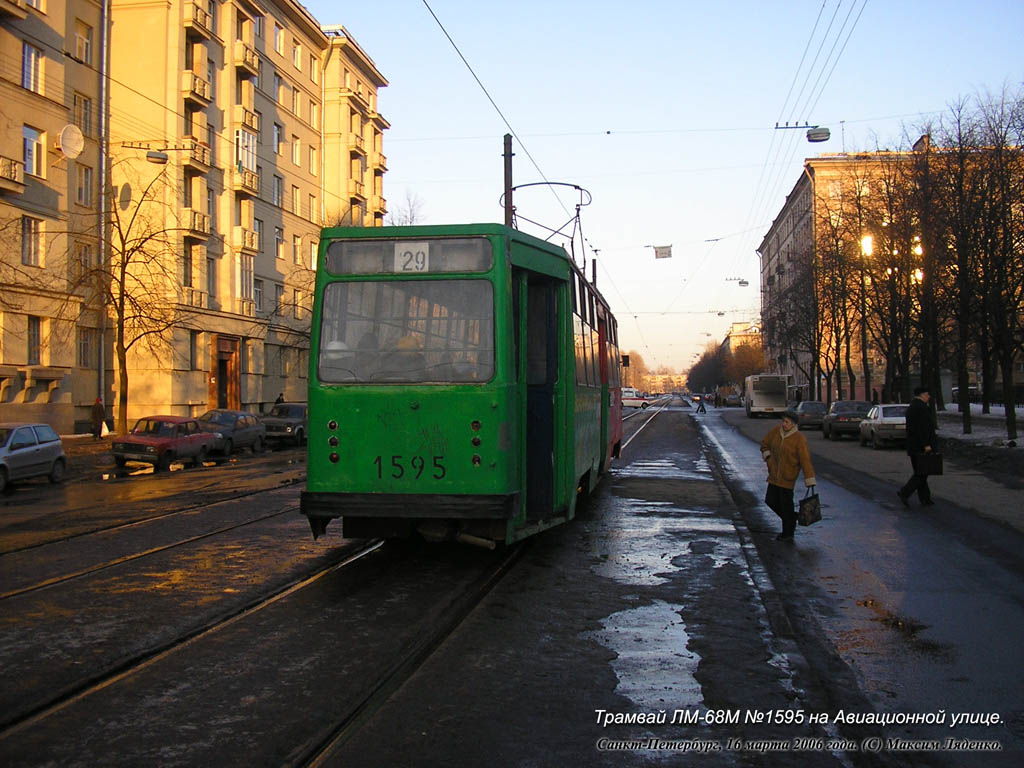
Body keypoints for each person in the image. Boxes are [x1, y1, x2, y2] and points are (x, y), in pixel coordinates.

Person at [760, 410, 816, 541]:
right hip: (774, 475)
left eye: (787, 422)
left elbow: (805, 460)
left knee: (786, 505)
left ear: (794, 424)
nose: (784, 424)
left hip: (788, 477)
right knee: (770, 501)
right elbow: (764, 444)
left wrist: (810, 478)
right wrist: (768, 459)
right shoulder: (775, 432)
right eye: (783, 421)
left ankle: (788, 533)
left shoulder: (799, 439)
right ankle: (792, 518)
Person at [898, 385, 936, 507]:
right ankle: (905, 492)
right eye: (927, 394)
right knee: (922, 473)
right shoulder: (921, 408)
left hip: (914, 445)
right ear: (922, 395)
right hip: (921, 446)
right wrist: (926, 444)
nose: (929, 397)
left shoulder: (913, 406)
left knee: (921, 471)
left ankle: (925, 499)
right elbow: (922, 428)